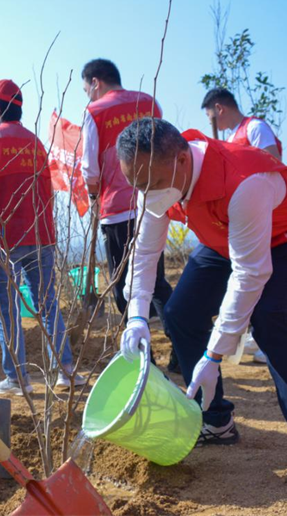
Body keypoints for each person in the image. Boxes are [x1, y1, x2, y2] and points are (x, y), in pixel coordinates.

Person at [118, 117, 287, 488]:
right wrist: (137, 317)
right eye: (138, 185)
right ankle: (216, 420)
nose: (147, 193)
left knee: (269, 317)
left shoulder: (244, 181)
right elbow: (144, 253)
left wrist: (215, 355)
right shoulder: (156, 181)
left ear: (182, 161)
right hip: (227, 237)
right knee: (179, 313)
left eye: (153, 184)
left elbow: (250, 274)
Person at [0, 79, 88, 394]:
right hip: (41, 235)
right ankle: (66, 371)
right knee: (47, 304)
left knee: (7, 309)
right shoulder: (36, 144)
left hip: (2, 239)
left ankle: (17, 378)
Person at [80, 58, 175, 369]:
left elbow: (90, 168)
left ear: (95, 82)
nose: (88, 96)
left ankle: (143, 358)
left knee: (124, 284)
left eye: (86, 89)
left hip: (117, 209)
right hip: (155, 200)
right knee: (156, 281)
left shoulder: (94, 112)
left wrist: (93, 195)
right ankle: (182, 346)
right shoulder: (150, 103)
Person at [202, 87, 284, 362]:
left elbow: (271, 163)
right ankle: (252, 335)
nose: (211, 121)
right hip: (242, 216)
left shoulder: (255, 127)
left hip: (263, 212)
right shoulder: (231, 136)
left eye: (210, 115)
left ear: (219, 109)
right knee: (243, 275)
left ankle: (263, 341)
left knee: (260, 275)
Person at [201, 87, 283, 162]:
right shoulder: (229, 141)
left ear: (219, 109)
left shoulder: (255, 127)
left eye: (208, 114)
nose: (209, 122)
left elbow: (274, 166)